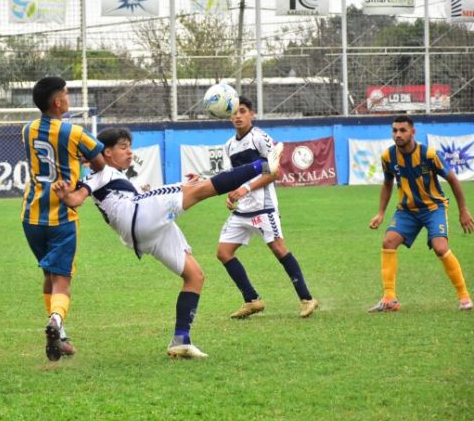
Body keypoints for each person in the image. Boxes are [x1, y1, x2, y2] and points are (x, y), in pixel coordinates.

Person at [53, 127, 283, 359]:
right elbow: (77, 198)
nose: (130, 152)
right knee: (199, 190)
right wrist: (67, 196)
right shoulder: (101, 172)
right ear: (106, 153)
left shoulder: (114, 177)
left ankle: (180, 340)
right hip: (137, 217)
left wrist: (185, 186)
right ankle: (263, 165)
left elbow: (143, 197)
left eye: (130, 147)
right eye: (123, 147)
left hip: (142, 230)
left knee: (195, 276)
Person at [22, 76, 106, 362]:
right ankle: (56, 321)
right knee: (62, 280)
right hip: (61, 217)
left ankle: (62, 336)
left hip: (31, 216)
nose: (69, 99)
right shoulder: (75, 132)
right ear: (58, 102)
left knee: (48, 274)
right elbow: (100, 164)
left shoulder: (27, 130)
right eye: (67, 95)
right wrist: (80, 164)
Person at [216, 96, 319, 319]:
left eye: (243, 111)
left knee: (279, 249)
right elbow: (232, 176)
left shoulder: (260, 138)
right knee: (223, 253)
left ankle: (307, 299)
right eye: (234, 112)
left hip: (263, 207)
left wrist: (246, 188)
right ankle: (252, 300)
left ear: (252, 114)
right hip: (242, 210)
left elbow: (275, 172)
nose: (238, 116)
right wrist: (231, 194)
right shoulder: (229, 145)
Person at [368, 115, 474, 312]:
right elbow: (387, 183)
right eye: (395, 130)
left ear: (413, 132)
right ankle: (389, 299)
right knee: (388, 241)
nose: (398, 134)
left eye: (403, 130)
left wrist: (463, 210)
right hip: (407, 210)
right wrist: (380, 213)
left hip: (433, 208)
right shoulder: (388, 156)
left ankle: (464, 297)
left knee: (440, 247)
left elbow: (453, 180)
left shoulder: (429, 155)